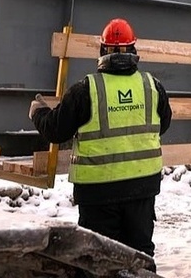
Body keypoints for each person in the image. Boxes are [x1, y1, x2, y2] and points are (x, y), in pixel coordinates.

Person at [29, 18, 172, 271]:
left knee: (98, 260)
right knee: (140, 258)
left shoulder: (86, 89)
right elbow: (163, 125)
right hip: (142, 189)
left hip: (98, 193)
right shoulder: (153, 86)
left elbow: (55, 130)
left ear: (103, 51)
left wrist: (37, 112)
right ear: (133, 50)